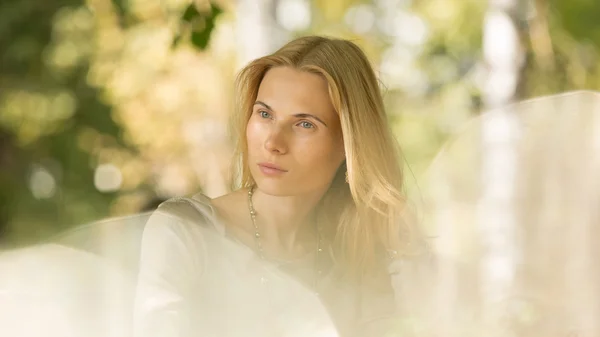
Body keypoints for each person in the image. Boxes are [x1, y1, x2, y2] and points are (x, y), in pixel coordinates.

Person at [133, 35, 427, 337]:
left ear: (349, 143)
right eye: (264, 114)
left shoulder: (361, 252)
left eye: (305, 124)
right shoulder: (184, 232)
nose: (273, 142)